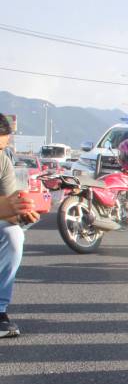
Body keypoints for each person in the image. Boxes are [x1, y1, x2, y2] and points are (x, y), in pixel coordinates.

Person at [0, 114, 40, 338]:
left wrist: (22, 215)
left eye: (1, 148)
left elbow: (9, 207)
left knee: (13, 234)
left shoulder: (3, 161)